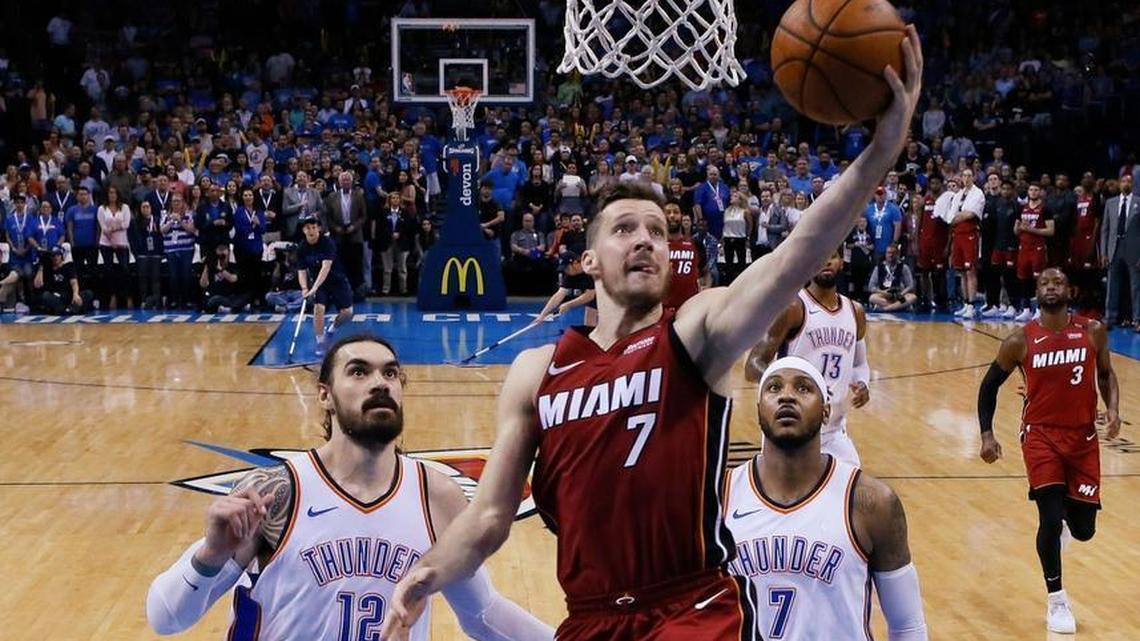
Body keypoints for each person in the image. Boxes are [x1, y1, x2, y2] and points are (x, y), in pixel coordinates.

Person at [382, 28, 922, 641]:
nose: (645, 239)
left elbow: (793, 256)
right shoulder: (537, 370)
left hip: (692, 609)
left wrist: (881, 152)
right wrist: (424, 575)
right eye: (624, 229)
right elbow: (490, 515)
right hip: (590, 619)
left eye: (658, 232)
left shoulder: (696, 334)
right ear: (587, 262)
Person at [146, 334, 555, 641]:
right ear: (324, 395)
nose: (381, 383)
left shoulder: (436, 495)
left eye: (391, 372)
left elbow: (483, 614)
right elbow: (166, 618)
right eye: (359, 371)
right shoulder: (276, 490)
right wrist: (210, 554)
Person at [726, 357, 927, 640]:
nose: (786, 396)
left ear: (825, 411)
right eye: (773, 388)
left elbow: (907, 625)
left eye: (803, 388)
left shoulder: (871, 503)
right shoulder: (719, 498)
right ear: (759, 411)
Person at [977, 268, 1121, 634]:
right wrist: (987, 435)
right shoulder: (1019, 341)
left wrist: (1114, 409)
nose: (1051, 287)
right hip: (1041, 437)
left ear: (1068, 290)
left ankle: (1066, 528)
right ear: (1037, 292)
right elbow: (989, 386)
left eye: (1057, 282)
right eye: (1045, 283)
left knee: (1085, 530)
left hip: (1084, 439)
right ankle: (1056, 600)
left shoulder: (1092, 331)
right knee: (1049, 518)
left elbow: (1105, 374)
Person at [743, 248, 870, 465]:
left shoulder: (855, 311)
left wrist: (862, 383)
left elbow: (859, 363)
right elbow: (753, 365)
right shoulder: (793, 307)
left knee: (852, 492)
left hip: (834, 432)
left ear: (841, 262)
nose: (826, 262)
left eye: (832, 256)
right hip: (790, 430)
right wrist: (785, 385)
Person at [297, 214, 354, 354]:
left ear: (319, 229)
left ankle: (331, 329)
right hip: (320, 283)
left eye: (314, 227)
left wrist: (314, 288)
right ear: (304, 230)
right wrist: (304, 288)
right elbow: (301, 271)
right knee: (318, 308)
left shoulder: (327, 243)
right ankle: (320, 341)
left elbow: (326, 267)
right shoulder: (302, 247)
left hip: (336, 279)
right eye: (308, 228)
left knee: (347, 313)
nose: (311, 231)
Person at [663, 201, 704, 311]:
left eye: (676, 212)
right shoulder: (656, 245)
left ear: (682, 216)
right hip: (664, 308)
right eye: (668, 212)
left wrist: (704, 287)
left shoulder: (695, 244)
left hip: (690, 307)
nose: (672, 216)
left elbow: (704, 271)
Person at [33, 246, 94, 314]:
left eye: (57, 255)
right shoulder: (48, 269)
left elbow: (73, 282)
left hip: (69, 296)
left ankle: (69, 309)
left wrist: (75, 294)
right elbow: (37, 285)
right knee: (45, 295)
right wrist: (41, 267)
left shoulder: (68, 266)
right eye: (53, 255)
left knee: (88, 293)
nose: (55, 257)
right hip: (57, 298)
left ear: (62, 256)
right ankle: (68, 310)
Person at [866, 244, 918, 311]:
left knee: (912, 297)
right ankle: (899, 306)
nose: (890, 255)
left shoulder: (904, 267)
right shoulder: (878, 268)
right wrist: (882, 292)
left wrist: (902, 293)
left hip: (899, 295)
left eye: (893, 253)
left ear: (897, 254)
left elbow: (910, 285)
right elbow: (871, 287)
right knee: (872, 297)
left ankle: (887, 308)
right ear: (885, 254)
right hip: (884, 294)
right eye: (889, 253)